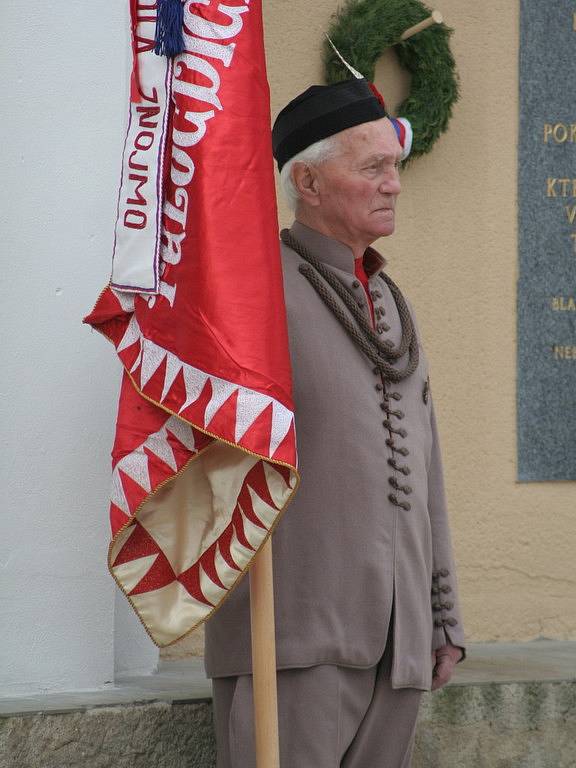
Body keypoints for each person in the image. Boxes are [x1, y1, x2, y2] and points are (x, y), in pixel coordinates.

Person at [204, 77, 466, 768]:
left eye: (394, 166)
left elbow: (426, 467)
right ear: (311, 183)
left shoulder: (388, 300)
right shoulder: (253, 298)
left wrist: (440, 618)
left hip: (399, 646)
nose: (393, 185)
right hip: (291, 642)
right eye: (371, 167)